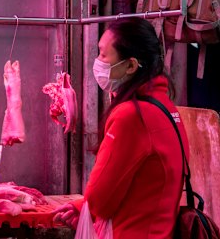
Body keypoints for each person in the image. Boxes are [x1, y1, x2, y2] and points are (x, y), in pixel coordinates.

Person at [52, 18, 189, 238]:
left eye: (104, 55)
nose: (97, 62)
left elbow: (100, 200)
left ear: (131, 65)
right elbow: (143, 189)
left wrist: (88, 206)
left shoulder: (132, 116)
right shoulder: (167, 108)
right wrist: (81, 206)